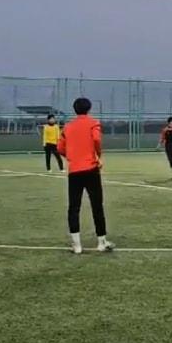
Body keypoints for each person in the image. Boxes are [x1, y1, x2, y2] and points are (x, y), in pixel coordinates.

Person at [57, 97, 115, 254]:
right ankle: (101, 242)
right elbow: (96, 139)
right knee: (97, 205)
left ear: (75, 109)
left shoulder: (68, 127)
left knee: (74, 207)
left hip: (74, 171)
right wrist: (97, 155)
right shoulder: (93, 123)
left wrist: (72, 156)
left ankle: (77, 245)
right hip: (91, 169)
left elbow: (60, 148)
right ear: (89, 109)